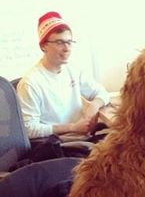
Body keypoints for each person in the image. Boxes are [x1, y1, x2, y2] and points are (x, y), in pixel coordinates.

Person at [17, 11, 110, 139]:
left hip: (83, 138)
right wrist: (72, 127)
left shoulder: (73, 70)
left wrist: (95, 105)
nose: (67, 48)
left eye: (69, 42)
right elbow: (29, 129)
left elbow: (102, 92)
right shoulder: (30, 83)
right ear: (44, 46)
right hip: (59, 144)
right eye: (60, 42)